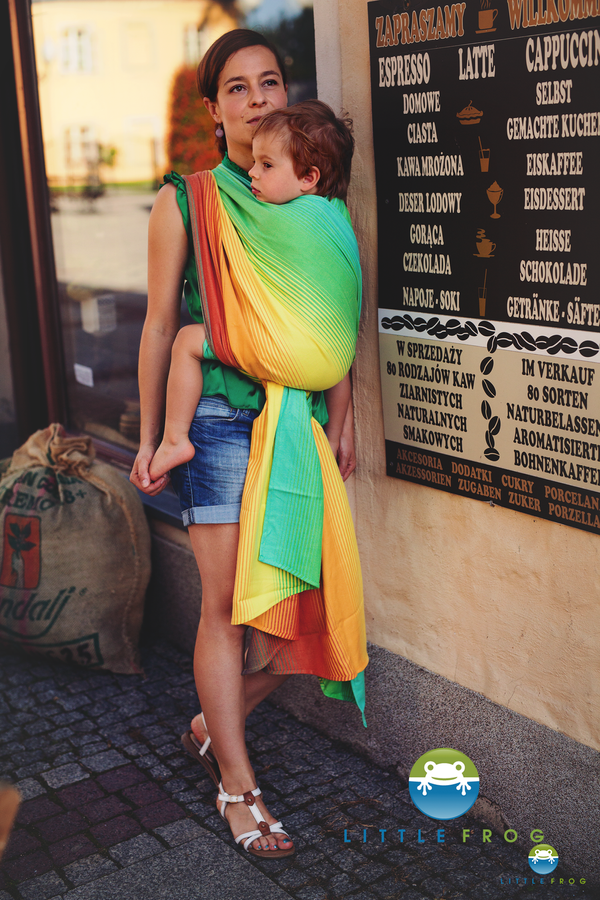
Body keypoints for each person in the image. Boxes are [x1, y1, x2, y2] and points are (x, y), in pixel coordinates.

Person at [130, 30, 367, 860]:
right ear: (213, 109)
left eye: (270, 81)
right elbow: (163, 325)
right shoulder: (187, 201)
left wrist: (342, 411)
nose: (258, 98)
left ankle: (211, 721)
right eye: (237, 88)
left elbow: (324, 310)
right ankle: (237, 783)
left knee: (299, 610)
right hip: (221, 429)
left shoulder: (304, 192)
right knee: (228, 611)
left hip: (293, 423)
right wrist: (157, 431)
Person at [148, 100, 355, 483]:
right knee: (334, 338)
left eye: (266, 165)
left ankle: (175, 439)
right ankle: (331, 438)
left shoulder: (271, 216)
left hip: (291, 356)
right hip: (331, 366)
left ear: (308, 177)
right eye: (255, 163)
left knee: (188, 341)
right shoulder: (337, 213)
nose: (252, 175)